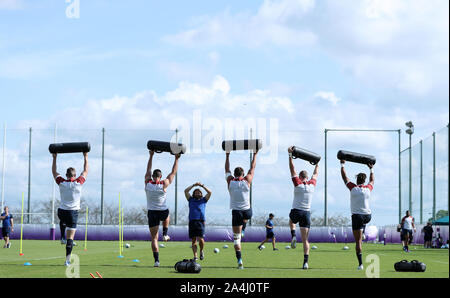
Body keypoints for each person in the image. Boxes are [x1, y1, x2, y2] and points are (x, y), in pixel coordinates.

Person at [52, 152, 88, 266]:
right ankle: (67, 260)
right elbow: (86, 170)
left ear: (66, 175)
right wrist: (85, 156)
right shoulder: (78, 183)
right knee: (70, 238)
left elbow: (54, 172)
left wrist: (54, 157)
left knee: (63, 221)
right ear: (75, 175)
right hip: (73, 213)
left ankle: (62, 236)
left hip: (62, 211)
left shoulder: (62, 183)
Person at [145, 150, 180, 267]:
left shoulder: (147, 183)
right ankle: (165, 233)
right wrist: (176, 158)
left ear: (153, 176)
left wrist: (151, 155)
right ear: (160, 176)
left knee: (154, 238)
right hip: (162, 211)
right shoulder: (164, 184)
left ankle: (156, 261)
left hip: (152, 212)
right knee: (167, 213)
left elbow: (148, 170)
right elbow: (173, 172)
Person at [225, 148, 258, 269]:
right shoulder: (247, 180)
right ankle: (244, 228)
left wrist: (227, 155)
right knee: (247, 217)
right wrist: (255, 154)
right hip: (247, 212)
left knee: (236, 240)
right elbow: (253, 168)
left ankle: (240, 261)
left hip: (236, 212)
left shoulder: (230, 181)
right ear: (243, 174)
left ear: (234, 174)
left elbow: (226, 169)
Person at [287, 146, 319, 270]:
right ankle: (305, 262)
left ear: (300, 177)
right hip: (306, 213)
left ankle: (293, 235)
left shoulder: (298, 184)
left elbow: (292, 169)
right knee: (305, 240)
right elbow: (316, 174)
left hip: (296, 211)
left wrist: (290, 156)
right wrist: (317, 164)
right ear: (307, 177)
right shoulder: (312, 185)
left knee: (291, 221)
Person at [340, 159, 374, 271]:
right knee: (363, 224)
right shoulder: (368, 189)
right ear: (364, 181)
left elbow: (344, 177)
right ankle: (363, 230)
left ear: (357, 180)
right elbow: (372, 180)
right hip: (368, 216)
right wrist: (371, 168)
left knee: (358, 241)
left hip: (357, 216)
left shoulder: (353, 188)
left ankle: (360, 264)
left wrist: (342, 164)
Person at [184, 182, 212, 261]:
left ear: (201, 194)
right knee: (193, 240)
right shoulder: (190, 200)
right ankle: (195, 256)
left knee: (201, 240)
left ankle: (201, 250)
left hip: (200, 222)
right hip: (192, 221)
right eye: (195, 192)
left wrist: (202, 186)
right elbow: (186, 191)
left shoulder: (204, 200)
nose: (197, 193)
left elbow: (210, 192)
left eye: (198, 192)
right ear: (193, 194)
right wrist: (193, 185)